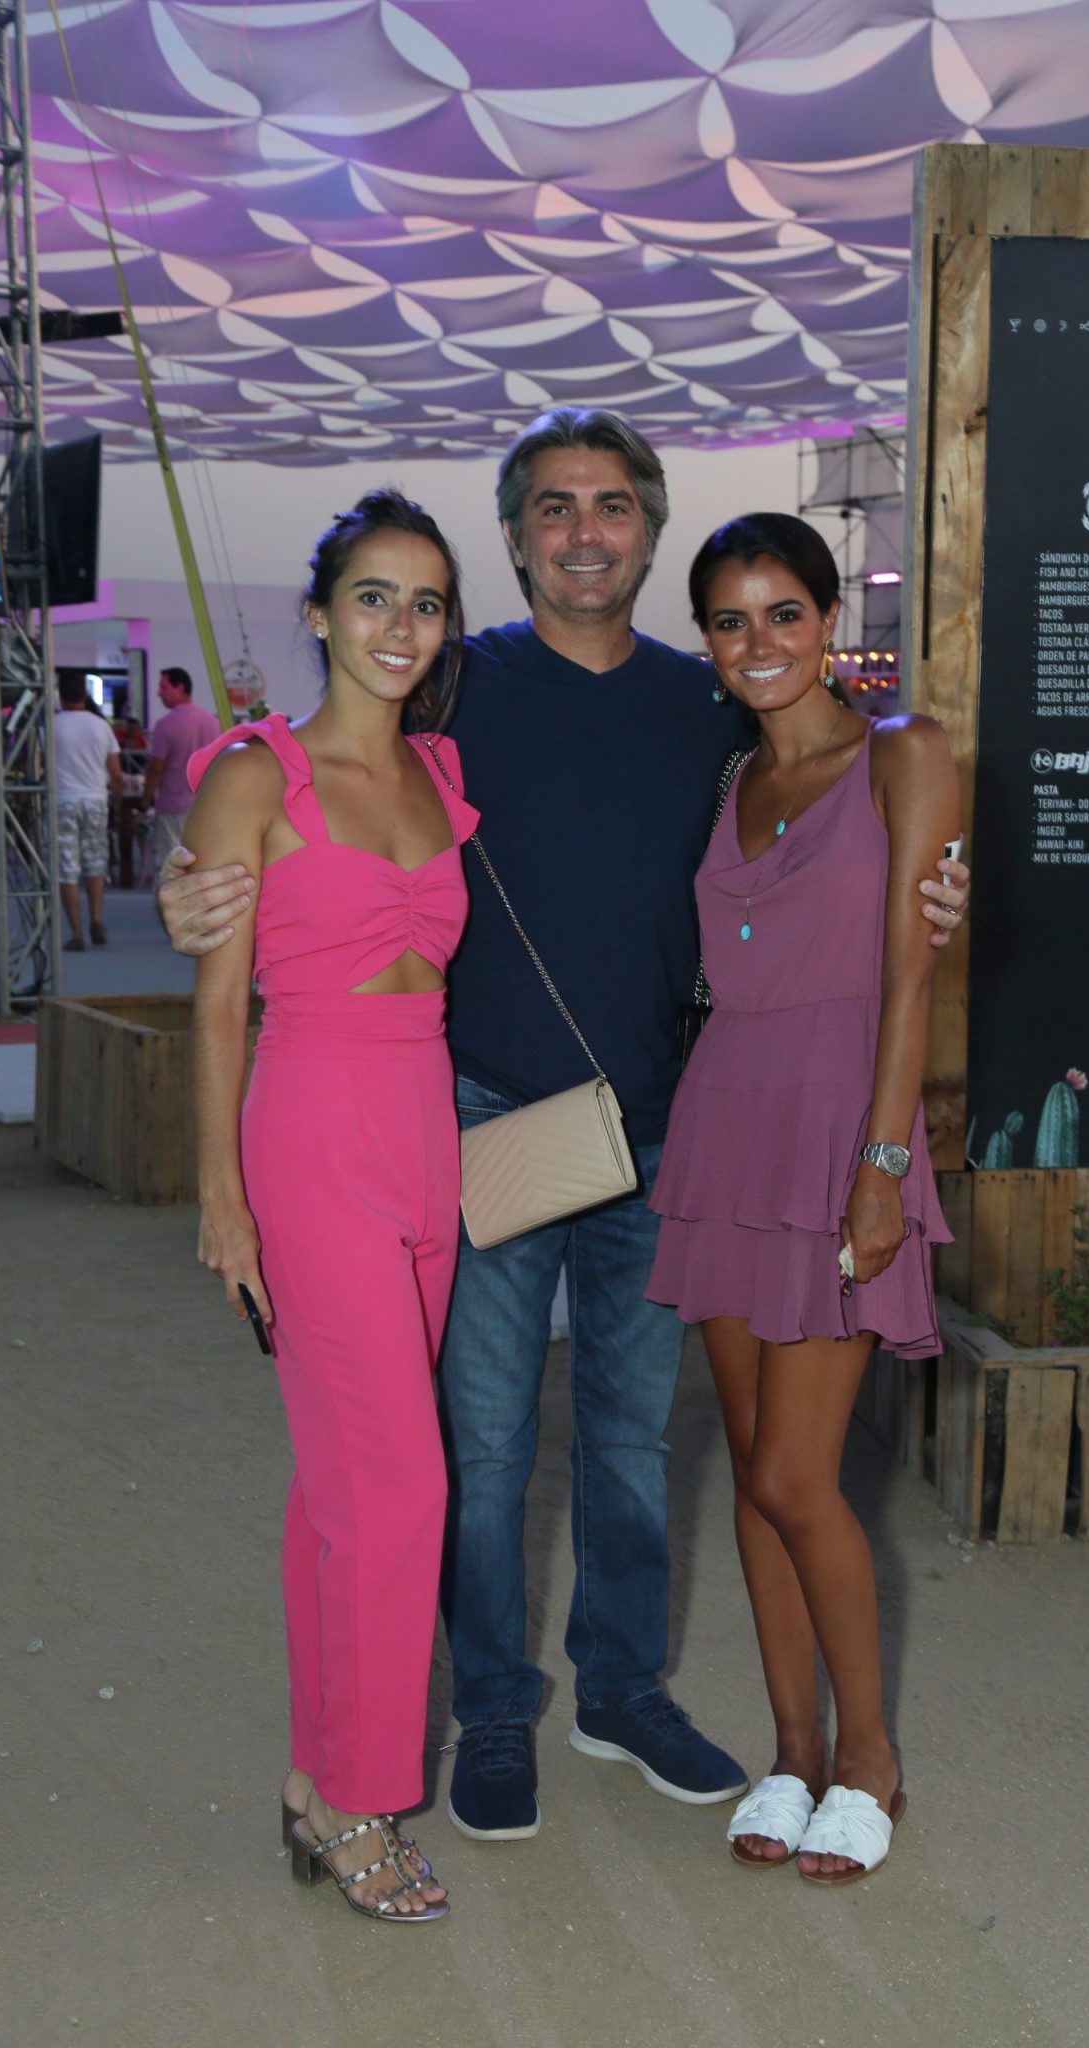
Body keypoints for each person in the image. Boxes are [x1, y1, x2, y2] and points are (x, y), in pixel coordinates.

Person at [157, 408, 971, 1846]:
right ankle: (488, 1708)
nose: (583, 531)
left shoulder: (711, 706)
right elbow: (297, 789)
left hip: (669, 1127)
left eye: (610, 505)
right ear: (514, 534)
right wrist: (190, 883)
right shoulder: (450, 689)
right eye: (552, 506)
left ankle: (621, 1689)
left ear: (647, 532)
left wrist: (940, 893)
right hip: (477, 1119)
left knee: (628, 1442)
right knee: (475, 1445)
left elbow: (830, 841)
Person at [647, 512, 959, 1885]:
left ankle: (868, 1755)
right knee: (746, 1465)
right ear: (707, 642)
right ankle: (790, 1748)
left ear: (831, 621)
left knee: (794, 1472)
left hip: (842, 1125)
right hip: (725, 1123)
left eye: (783, 612)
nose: (759, 641)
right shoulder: (726, 777)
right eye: (730, 619)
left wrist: (882, 1167)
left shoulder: (903, 755)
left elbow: (910, 973)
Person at [182, 490, 471, 1923]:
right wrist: (219, 1195)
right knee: (402, 1483)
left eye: (424, 602)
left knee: (339, 1487)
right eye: (372, 595)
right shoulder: (253, 775)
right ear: (317, 612)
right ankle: (363, 1796)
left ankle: (311, 1774)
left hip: (428, 1136)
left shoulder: (440, 771)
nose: (397, 625)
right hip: (311, 1135)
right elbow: (216, 1006)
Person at [53, 671, 122, 950]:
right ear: (85, 694)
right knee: (95, 862)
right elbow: (115, 772)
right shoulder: (101, 726)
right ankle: (96, 918)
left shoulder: (51, 725)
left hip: (63, 799)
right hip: (95, 799)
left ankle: (77, 933)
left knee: (66, 868)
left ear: (60, 695)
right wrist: (116, 801)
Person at [143, 667, 219, 876]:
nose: (159, 693)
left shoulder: (165, 725)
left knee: (169, 867)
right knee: (201, 865)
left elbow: (156, 768)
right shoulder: (213, 723)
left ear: (180, 687)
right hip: (205, 805)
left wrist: (145, 800)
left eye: (163, 687)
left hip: (172, 805)